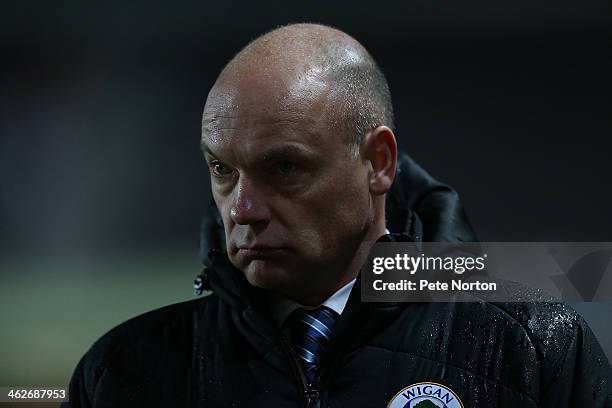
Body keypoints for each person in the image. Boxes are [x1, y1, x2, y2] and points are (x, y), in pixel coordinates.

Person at [63, 23, 612, 407]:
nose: (242, 210)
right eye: (222, 170)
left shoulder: (534, 348)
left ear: (378, 162)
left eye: (283, 168)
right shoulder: (121, 372)